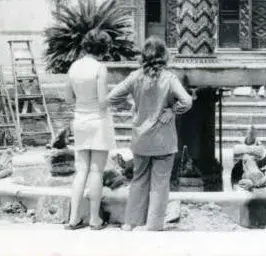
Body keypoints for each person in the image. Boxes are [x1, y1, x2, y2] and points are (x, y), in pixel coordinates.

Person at [108, 36, 192, 231]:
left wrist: (132, 105)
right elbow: (187, 101)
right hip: (164, 139)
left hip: (141, 139)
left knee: (138, 180)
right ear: (164, 56)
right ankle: (154, 225)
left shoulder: (135, 77)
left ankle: (131, 222)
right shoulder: (168, 78)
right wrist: (173, 110)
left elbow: (111, 97)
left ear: (143, 56)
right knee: (160, 183)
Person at [64, 29, 116, 230]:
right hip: (98, 120)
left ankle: (73, 217)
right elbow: (103, 102)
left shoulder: (74, 67)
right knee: (96, 170)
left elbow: (68, 97)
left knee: (81, 170)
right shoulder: (100, 68)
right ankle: (94, 218)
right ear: (103, 48)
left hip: (80, 119)